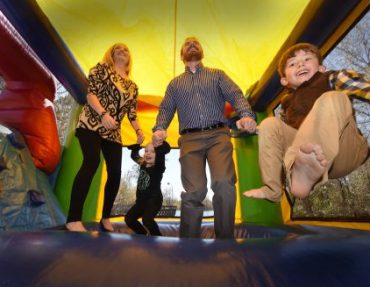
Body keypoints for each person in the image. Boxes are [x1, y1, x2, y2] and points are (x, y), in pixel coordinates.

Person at [152, 36, 257, 239]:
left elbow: (236, 95)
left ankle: (225, 241)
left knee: (224, 183)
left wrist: (246, 115)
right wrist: (159, 128)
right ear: (181, 55)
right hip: (189, 140)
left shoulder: (217, 75)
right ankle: (188, 245)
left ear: (202, 52)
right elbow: (165, 108)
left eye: (196, 42)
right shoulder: (174, 84)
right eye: (187, 44)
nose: (192, 44)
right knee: (194, 192)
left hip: (218, 135)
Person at [243, 42, 369, 202]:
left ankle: (306, 167)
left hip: (346, 150)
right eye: (293, 64)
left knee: (332, 98)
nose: (301, 64)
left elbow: (361, 86)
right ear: (284, 80)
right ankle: (274, 188)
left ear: (321, 68)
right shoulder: (287, 103)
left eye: (307, 59)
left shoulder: (331, 78)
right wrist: (253, 127)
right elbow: (280, 135)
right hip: (311, 156)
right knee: (270, 124)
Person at [65, 43, 144, 232]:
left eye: (125, 49)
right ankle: (73, 218)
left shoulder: (132, 87)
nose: (121, 51)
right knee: (91, 162)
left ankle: (105, 217)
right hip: (91, 123)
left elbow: (131, 113)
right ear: (111, 54)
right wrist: (103, 115)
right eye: (117, 49)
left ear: (129, 58)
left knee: (115, 172)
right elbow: (91, 95)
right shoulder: (101, 69)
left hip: (113, 132)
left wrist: (139, 131)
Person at [125, 141, 171, 236]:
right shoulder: (143, 164)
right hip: (141, 201)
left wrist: (159, 144)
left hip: (154, 200)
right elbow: (134, 156)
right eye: (146, 151)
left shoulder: (159, 167)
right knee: (129, 219)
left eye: (152, 152)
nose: (148, 153)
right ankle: (143, 234)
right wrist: (136, 147)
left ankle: (158, 237)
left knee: (147, 220)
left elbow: (164, 150)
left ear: (158, 154)